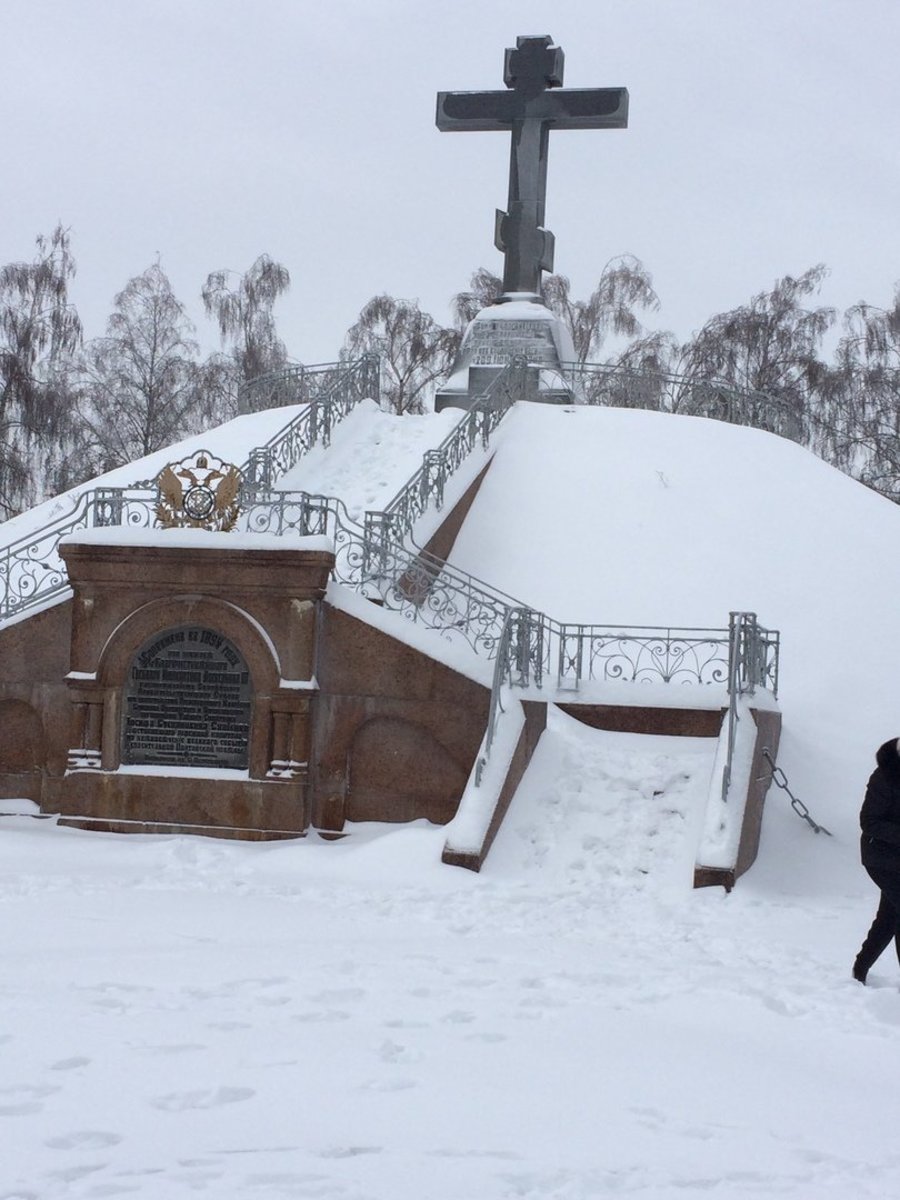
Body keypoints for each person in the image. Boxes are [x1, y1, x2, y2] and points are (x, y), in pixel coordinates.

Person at [854, 737, 900, 984]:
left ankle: (859, 970)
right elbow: (869, 822)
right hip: (880, 857)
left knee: (889, 917)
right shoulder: (885, 776)